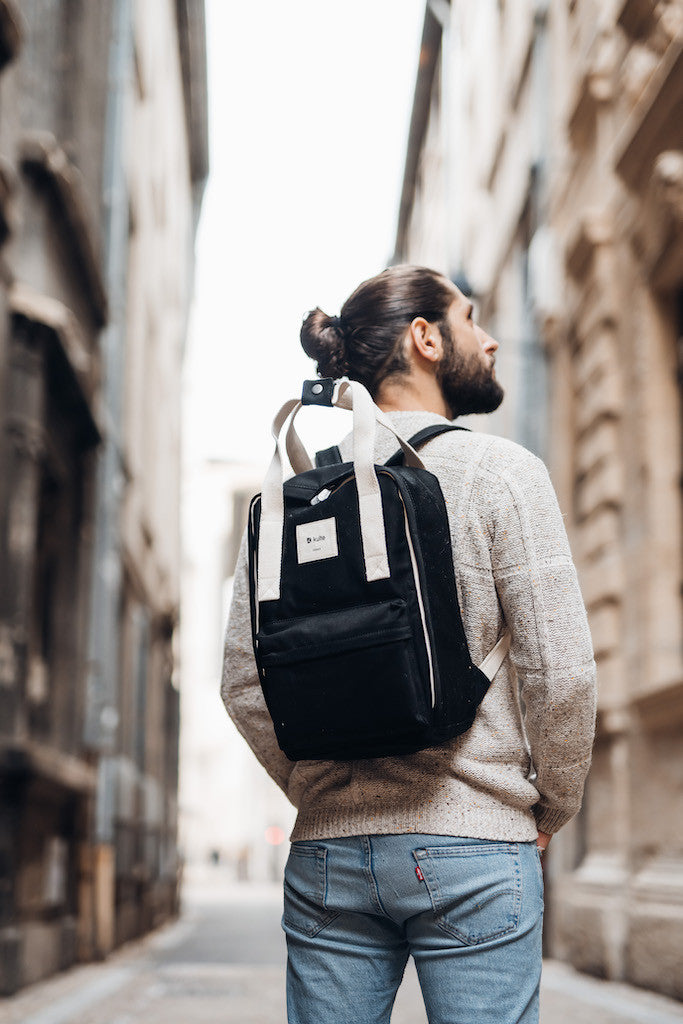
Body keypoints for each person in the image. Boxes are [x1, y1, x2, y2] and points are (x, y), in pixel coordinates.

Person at [221, 265, 597, 1024]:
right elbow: (560, 672)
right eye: (470, 318)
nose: (490, 340)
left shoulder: (294, 499)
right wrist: (550, 805)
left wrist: (318, 790)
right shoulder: (502, 472)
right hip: (475, 846)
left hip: (328, 854)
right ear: (425, 338)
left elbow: (241, 683)